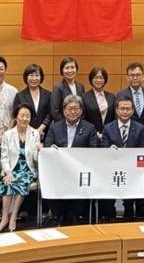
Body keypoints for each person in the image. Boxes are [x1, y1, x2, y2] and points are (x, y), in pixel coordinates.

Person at [44, 94, 98, 225]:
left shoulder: (89, 128)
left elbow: (94, 149)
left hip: (80, 169)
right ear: (63, 110)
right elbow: (46, 146)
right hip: (59, 169)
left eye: (75, 109)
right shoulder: (55, 127)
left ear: (81, 111)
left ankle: (75, 216)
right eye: (69, 109)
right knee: (50, 183)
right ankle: (60, 215)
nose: (72, 112)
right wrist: (52, 148)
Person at [0, 104, 41, 233]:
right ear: (16, 117)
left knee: (19, 182)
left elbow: (36, 159)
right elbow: (4, 157)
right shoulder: (8, 134)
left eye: (27, 116)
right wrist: (8, 172)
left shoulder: (35, 133)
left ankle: (13, 216)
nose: (24, 119)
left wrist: (38, 149)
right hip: (12, 168)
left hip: (28, 170)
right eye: (22, 115)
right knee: (9, 182)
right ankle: (4, 218)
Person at [103, 96, 144, 222]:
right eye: (122, 109)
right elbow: (102, 149)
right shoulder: (108, 128)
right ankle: (110, 216)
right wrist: (109, 149)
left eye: (128, 109)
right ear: (116, 111)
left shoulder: (140, 128)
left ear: (132, 111)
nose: (125, 111)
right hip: (112, 169)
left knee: (132, 194)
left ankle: (131, 214)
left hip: (133, 170)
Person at [13, 64, 52, 136]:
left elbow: (50, 114)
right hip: (25, 134)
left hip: (45, 133)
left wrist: (41, 128)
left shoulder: (48, 94)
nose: (34, 78)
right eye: (31, 75)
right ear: (26, 77)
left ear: (41, 77)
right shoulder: (19, 96)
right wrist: (32, 132)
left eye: (37, 75)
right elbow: (17, 115)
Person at [116, 62, 144, 131]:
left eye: (138, 75)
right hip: (128, 134)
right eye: (132, 75)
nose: (135, 78)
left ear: (143, 77)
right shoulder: (120, 95)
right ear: (127, 78)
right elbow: (117, 117)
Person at [82, 66, 116, 136]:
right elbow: (83, 119)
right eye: (96, 78)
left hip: (109, 135)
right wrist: (93, 132)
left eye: (101, 78)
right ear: (91, 79)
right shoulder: (84, 97)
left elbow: (114, 118)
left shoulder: (111, 97)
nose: (98, 80)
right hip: (91, 135)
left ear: (105, 80)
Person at [50, 57, 86, 122]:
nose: (70, 71)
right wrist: (67, 124)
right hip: (63, 125)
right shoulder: (58, 88)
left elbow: (82, 107)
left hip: (78, 124)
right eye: (67, 68)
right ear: (62, 71)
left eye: (72, 67)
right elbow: (55, 112)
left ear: (76, 69)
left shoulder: (81, 87)